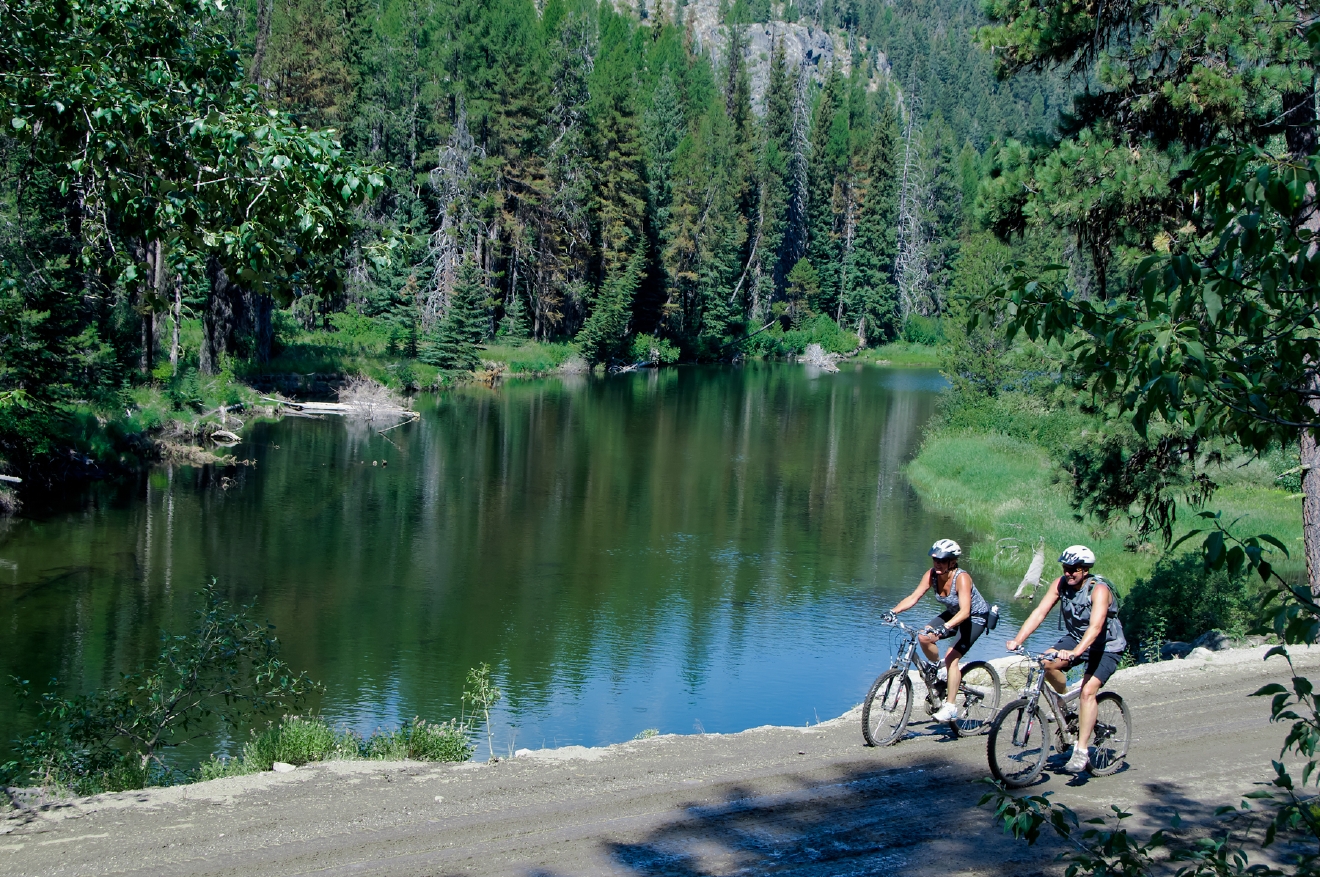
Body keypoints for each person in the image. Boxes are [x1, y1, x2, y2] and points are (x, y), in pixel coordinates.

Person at [1005, 545, 1127, 774]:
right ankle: (1063, 701)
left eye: (1074, 569)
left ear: (1085, 570)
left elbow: (1096, 626)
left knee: (1088, 691)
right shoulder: (1061, 583)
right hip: (1076, 638)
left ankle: (1081, 751)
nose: (1069, 573)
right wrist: (1018, 640)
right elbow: (1040, 612)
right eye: (1066, 568)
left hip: (1106, 645)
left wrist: (1075, 653)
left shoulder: (1098, 590)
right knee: (1044, 663)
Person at [885, 538, 991, 723]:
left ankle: (950, 708)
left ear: (953, 561)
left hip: (974, 618)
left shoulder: (962, 578)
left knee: (952, 657)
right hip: (953, 614)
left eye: (942, 560)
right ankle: (939, 668)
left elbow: (965, 611)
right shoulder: (932, 575)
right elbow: (914, 597)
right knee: (923, 636)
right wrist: (893, 611)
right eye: (935, 560)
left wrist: (945, 627)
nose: (938, 564)